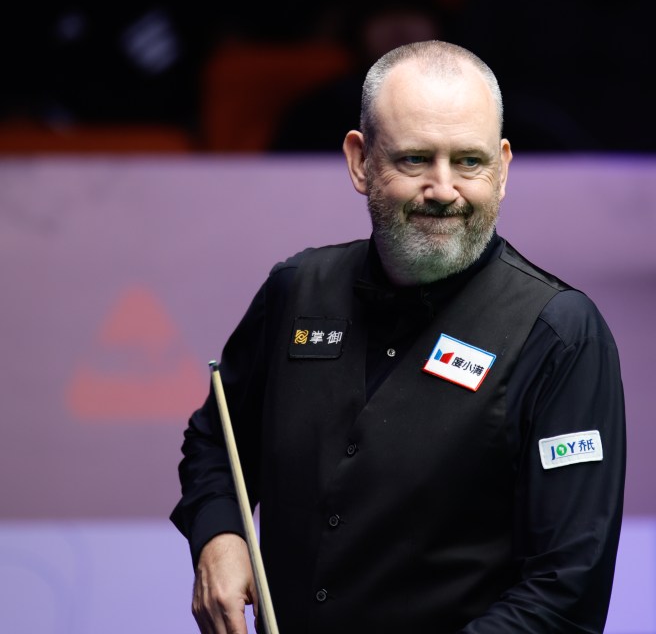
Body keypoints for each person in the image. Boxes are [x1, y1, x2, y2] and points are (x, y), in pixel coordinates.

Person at [171, 40, 626, 633]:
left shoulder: (560, 334)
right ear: (361, 161)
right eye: (415, 160)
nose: (444, 190)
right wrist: (220, 533)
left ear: (504, 167)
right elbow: (215, 440)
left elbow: (564, 595)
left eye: (469, 161)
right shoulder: (296, 291)